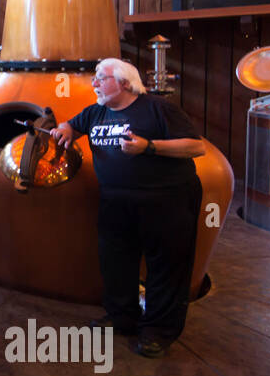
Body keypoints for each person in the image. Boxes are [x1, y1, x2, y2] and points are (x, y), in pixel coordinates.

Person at [49, 58, 206, 359]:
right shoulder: (96, 112)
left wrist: (148, 146)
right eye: (95, 78)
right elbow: (71, 124)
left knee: (166, 267)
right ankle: (122, 317)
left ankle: (159, 331)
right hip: (115, 200)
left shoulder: (158, 109)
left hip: (165, 200)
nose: (94, 83)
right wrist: (66, 129)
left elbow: (195, 147)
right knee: (116, 262)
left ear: (123, 82)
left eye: (101, 78)